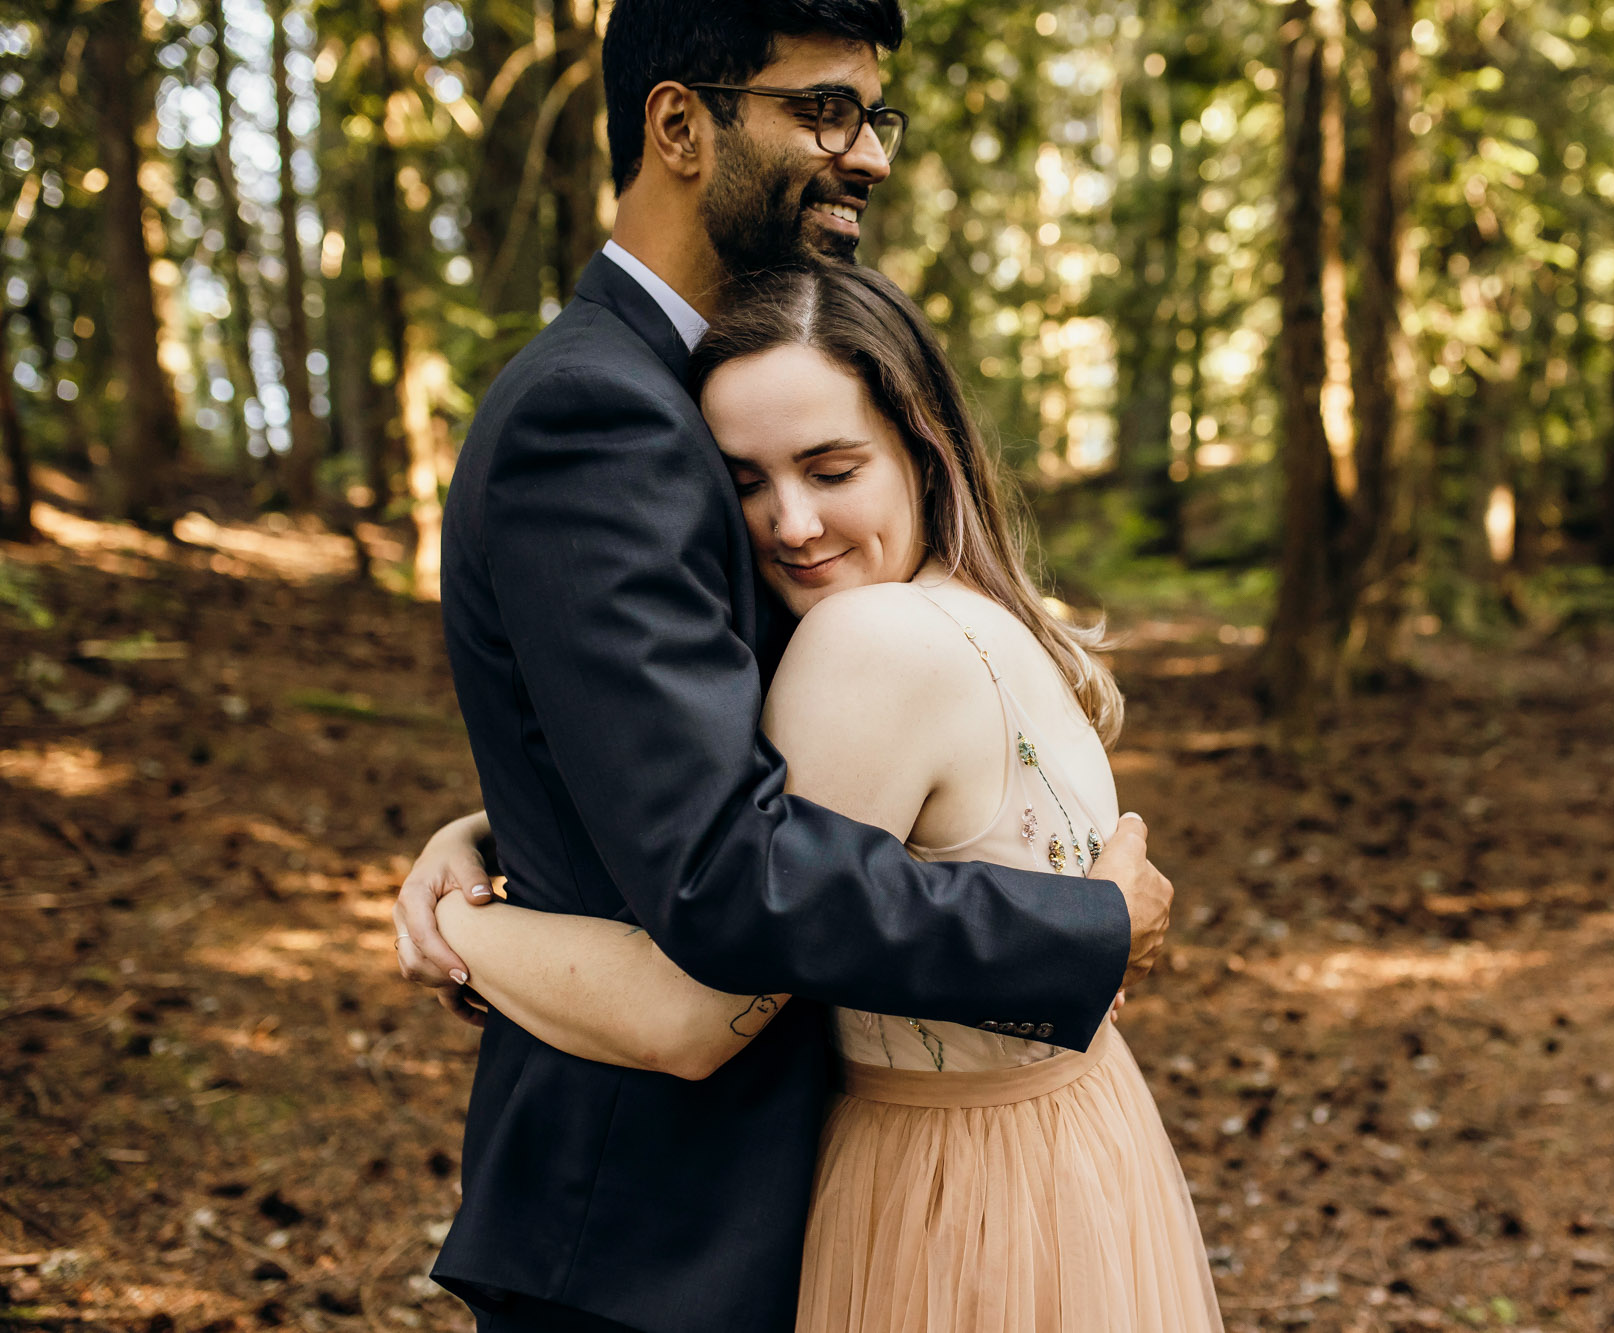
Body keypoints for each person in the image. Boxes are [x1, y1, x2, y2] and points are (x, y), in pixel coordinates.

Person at [388, 4, 1173, 1332]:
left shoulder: (707, 389)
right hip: (651, 1229)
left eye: (874, 116)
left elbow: (673, 749)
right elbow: (720, 868)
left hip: (764, 1198)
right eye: (821, 108)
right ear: (680, 125)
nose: (864, 152)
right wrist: (1079, 928)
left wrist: (484, 836)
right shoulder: (602, 411)